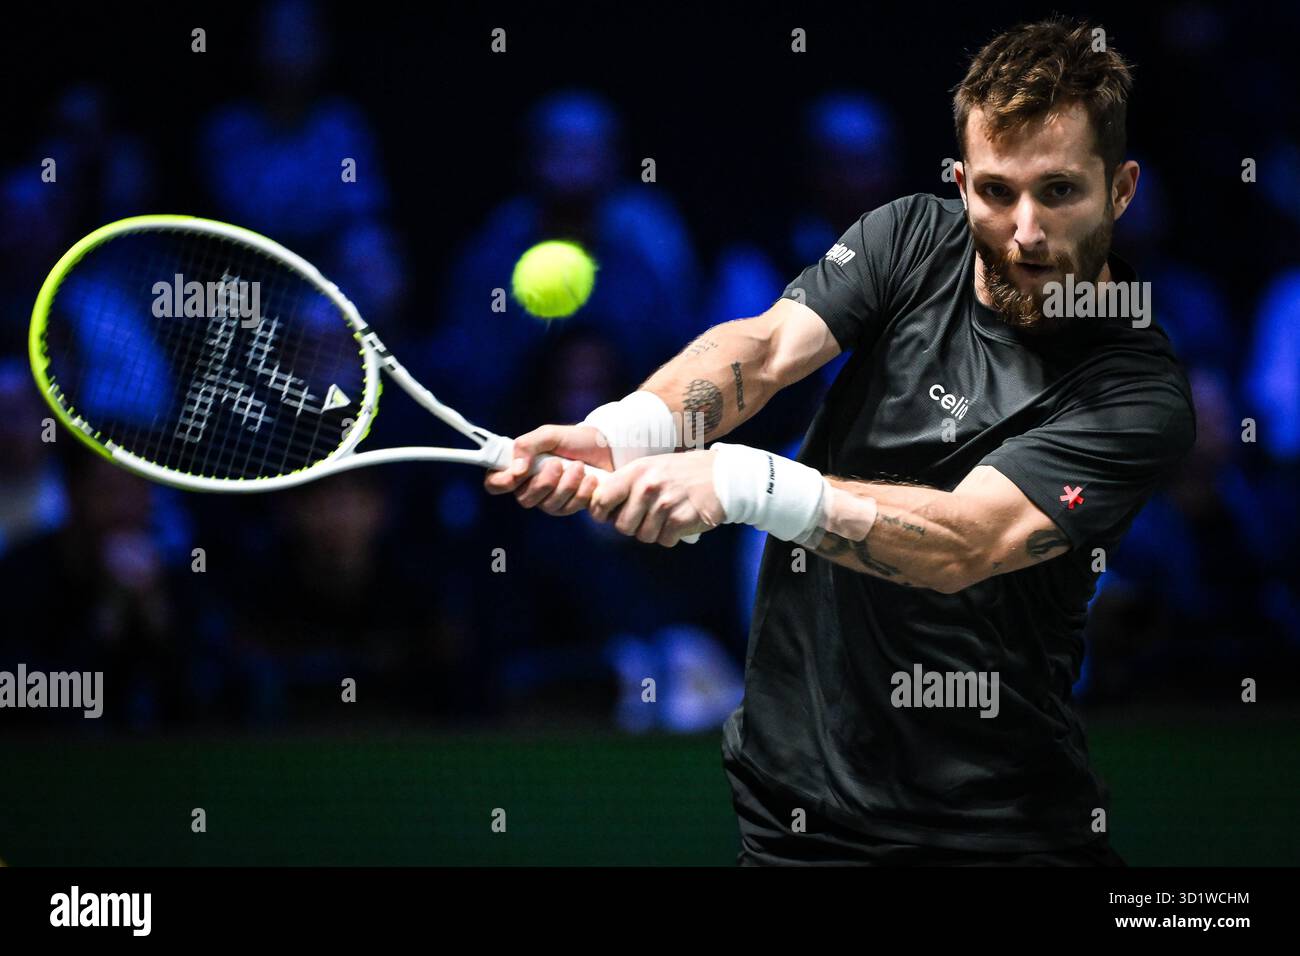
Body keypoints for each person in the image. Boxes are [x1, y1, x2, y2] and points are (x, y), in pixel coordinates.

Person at [485, 17, 1193, 865]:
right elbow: (765, 348)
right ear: (962, 181)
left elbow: (966, 541)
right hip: (799, 807)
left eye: (1060, 192)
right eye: (997, 192)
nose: (1027, 231)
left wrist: (744, 484)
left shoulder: (1135, 395)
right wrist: (625, 430)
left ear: (1121, 190)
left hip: (996, 823)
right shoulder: (908, 239)